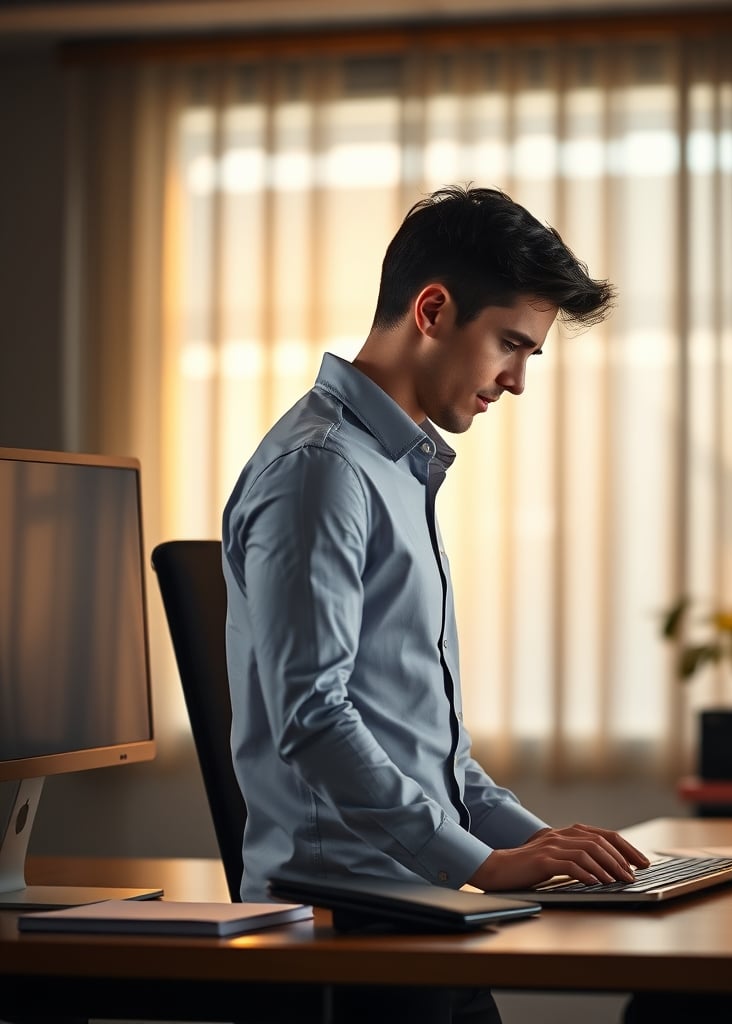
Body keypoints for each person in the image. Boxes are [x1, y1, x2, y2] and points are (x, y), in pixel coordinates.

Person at [221, 184, 650, 1023]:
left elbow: (423, 744)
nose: (519, 381)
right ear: (433, 309)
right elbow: (310, 717)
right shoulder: (322, 472)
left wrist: (529, 841)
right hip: (349, 942)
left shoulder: (394, 468)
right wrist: (484, 864)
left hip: (420, 913)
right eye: (511, 346)